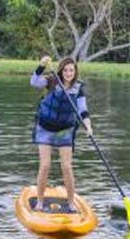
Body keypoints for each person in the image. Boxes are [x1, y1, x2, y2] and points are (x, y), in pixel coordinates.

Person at [30, 56, 92, 212]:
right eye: (65, 70)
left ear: (75, 71)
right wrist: (41, 65)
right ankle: (40, 201)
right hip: (45, 128)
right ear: (61, 70)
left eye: (71, 70)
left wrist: (88, 127)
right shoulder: (52, 81)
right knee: (45, 165)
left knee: (67, 167)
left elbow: (83, 111)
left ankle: (71, 203)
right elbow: (34, 82)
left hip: (65, 130)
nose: (68, 73)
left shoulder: (78, 89)